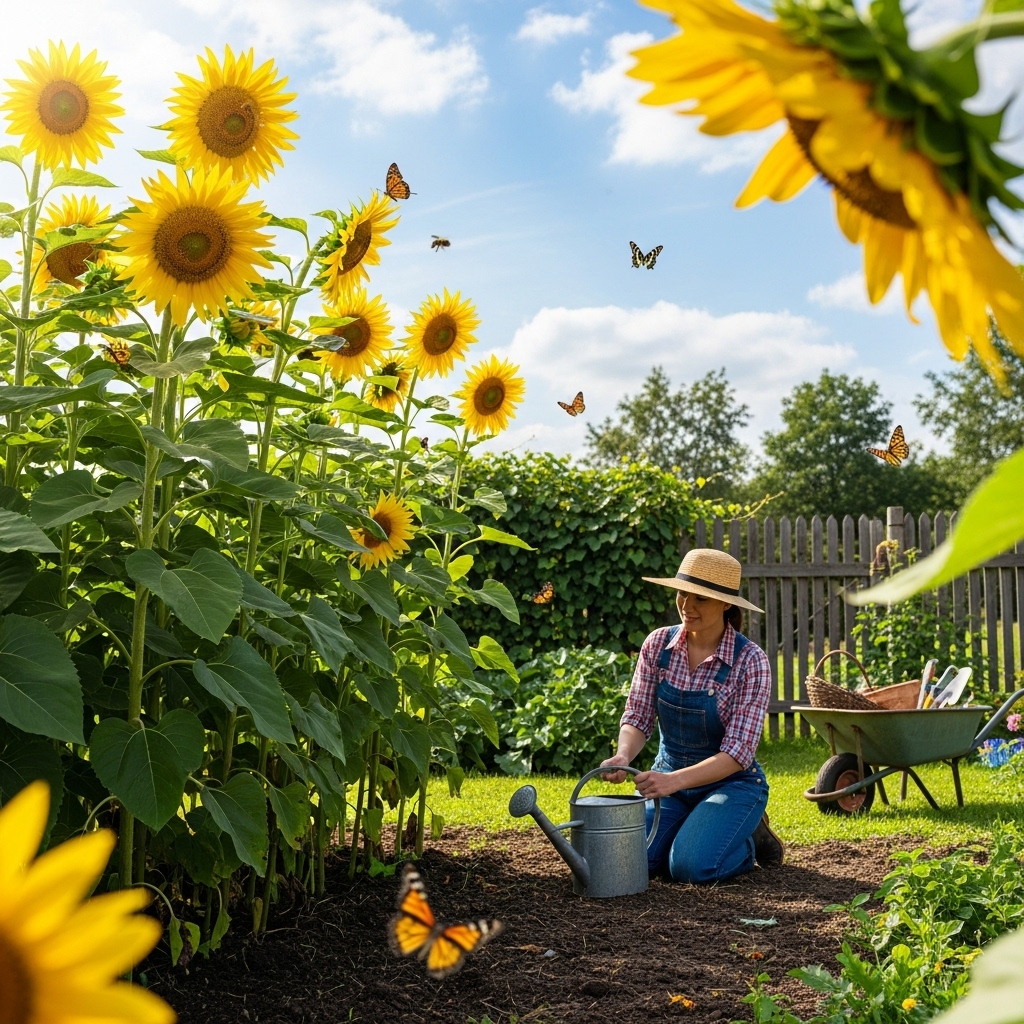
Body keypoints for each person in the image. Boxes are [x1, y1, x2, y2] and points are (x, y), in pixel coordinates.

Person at [599, 547, 783, 883]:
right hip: (669, 780)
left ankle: (747, 842)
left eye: (701, 598)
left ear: (726, 603)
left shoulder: (750, 661)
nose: (687, 605)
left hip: (732, 784)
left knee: (689, 867)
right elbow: (638, 716)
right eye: (683, 593)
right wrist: (623, 755)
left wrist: (674, 781)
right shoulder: (657, 645)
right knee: (634, 860)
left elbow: (738, 753)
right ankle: (699, 825)